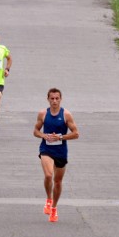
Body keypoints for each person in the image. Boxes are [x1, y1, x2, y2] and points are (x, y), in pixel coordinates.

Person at [33, 88, 79, 223]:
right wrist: (44, 135)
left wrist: (60, 138)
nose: (54, 101)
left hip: (61, 151)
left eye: (57, 98)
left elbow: (76, 133)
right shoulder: (43, 114)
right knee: (48, 175)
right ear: (48, 99)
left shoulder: (66, 115)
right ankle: (48, 199)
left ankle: (54, 208)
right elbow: (35, 131)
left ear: (60, 99)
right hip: (46, 148)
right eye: (52, 98)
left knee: (58, 182)